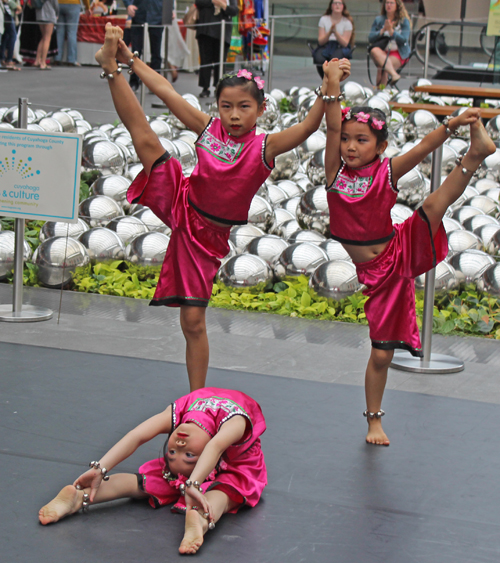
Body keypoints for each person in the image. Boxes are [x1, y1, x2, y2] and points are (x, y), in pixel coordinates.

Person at [92, 24, 350, 392]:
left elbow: (310, 125)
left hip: (207, 238)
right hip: (183, 201)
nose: (233, 115)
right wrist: (128, 59)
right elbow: (166, 92)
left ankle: (196, 396)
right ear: (217, 107)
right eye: (226, 106)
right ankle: (110, 68)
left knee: (192, 321)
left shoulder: (266, 146)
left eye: (244, 107)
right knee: (145, 138)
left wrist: (329, 84)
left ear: (260, 110)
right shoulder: (209, 128)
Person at [323, 60, 496, 446]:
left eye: (362, 140)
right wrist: (332, 83)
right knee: (381, 355)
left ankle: (476, 152)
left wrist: (452, 124)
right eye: (347, 139)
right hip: (374, 272)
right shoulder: (333, 173)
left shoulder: (387, 171)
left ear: (381, 147)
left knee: (434, 207)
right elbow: (332, 125)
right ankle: (372, 418)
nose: (350, 145)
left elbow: (422, 148)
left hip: (395, 257)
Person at [38, 387, 267, 555]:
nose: (178, 447)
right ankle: (78, 496)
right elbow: (138, 436)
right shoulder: (226, 420)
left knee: (225, 493)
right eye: (175, 454)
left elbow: (216, 447)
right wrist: (101, 468)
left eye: (187, 456)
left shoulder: (200, 417)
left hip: (238, 464)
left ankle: (200, 519)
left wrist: (193, 484)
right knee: (152, 480)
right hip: (206, 472)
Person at [195, 0, 238, 98]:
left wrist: (223, 5)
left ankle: (219, 87)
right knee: (205, 60)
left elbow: (234, 10)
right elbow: (199, 2)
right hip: (205, 30)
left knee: (221, 61)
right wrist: (213, 2)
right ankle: (205, 88)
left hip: (223, 32)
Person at [121, 0, 164, 91]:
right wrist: (128, 5)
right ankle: (134, 81)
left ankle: (156, 84)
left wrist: (170, 9)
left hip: (157, 15)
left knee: (156, 52)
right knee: (136, 52)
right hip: (139, 14)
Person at [368, 0, 411, 87]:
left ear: (397, 5)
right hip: (382, 51)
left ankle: (380, 92)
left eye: (391, 3)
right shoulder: (379, 20)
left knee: (383, 68)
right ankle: (394, 75)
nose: (389, 5)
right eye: (387, 3)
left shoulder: (403, 21)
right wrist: (382, 30)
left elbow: (404, 39)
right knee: (375, 51)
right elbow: (371, 38)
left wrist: (392, 32)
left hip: (399, 52)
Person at [313, 0, 354, 79]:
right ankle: (325, 80)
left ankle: (333, 81)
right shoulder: (324, 19)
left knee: (335, 60)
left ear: (343, 6)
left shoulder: (347, 22)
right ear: (331, 6)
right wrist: (329, 33)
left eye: (340, 3)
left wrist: (335, 33)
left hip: (340, 46)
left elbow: (345, 43)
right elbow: (321, 41)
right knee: (319, 58)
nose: (337, 5)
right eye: (335, 3)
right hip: (326, 45)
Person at [35, 0, 59, 69]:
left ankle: (37, 60)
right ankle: (43, 62)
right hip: (49, 14)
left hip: (39, 14)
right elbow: (55, 3)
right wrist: (57, 13)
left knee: (43, 37)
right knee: (47, 38)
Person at [1, 0, 22, 70]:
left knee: (6, 36)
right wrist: (16, 6)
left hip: (8, 12)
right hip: (7, 12)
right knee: (12, 35)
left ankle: (3, 58)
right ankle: (9, 58)